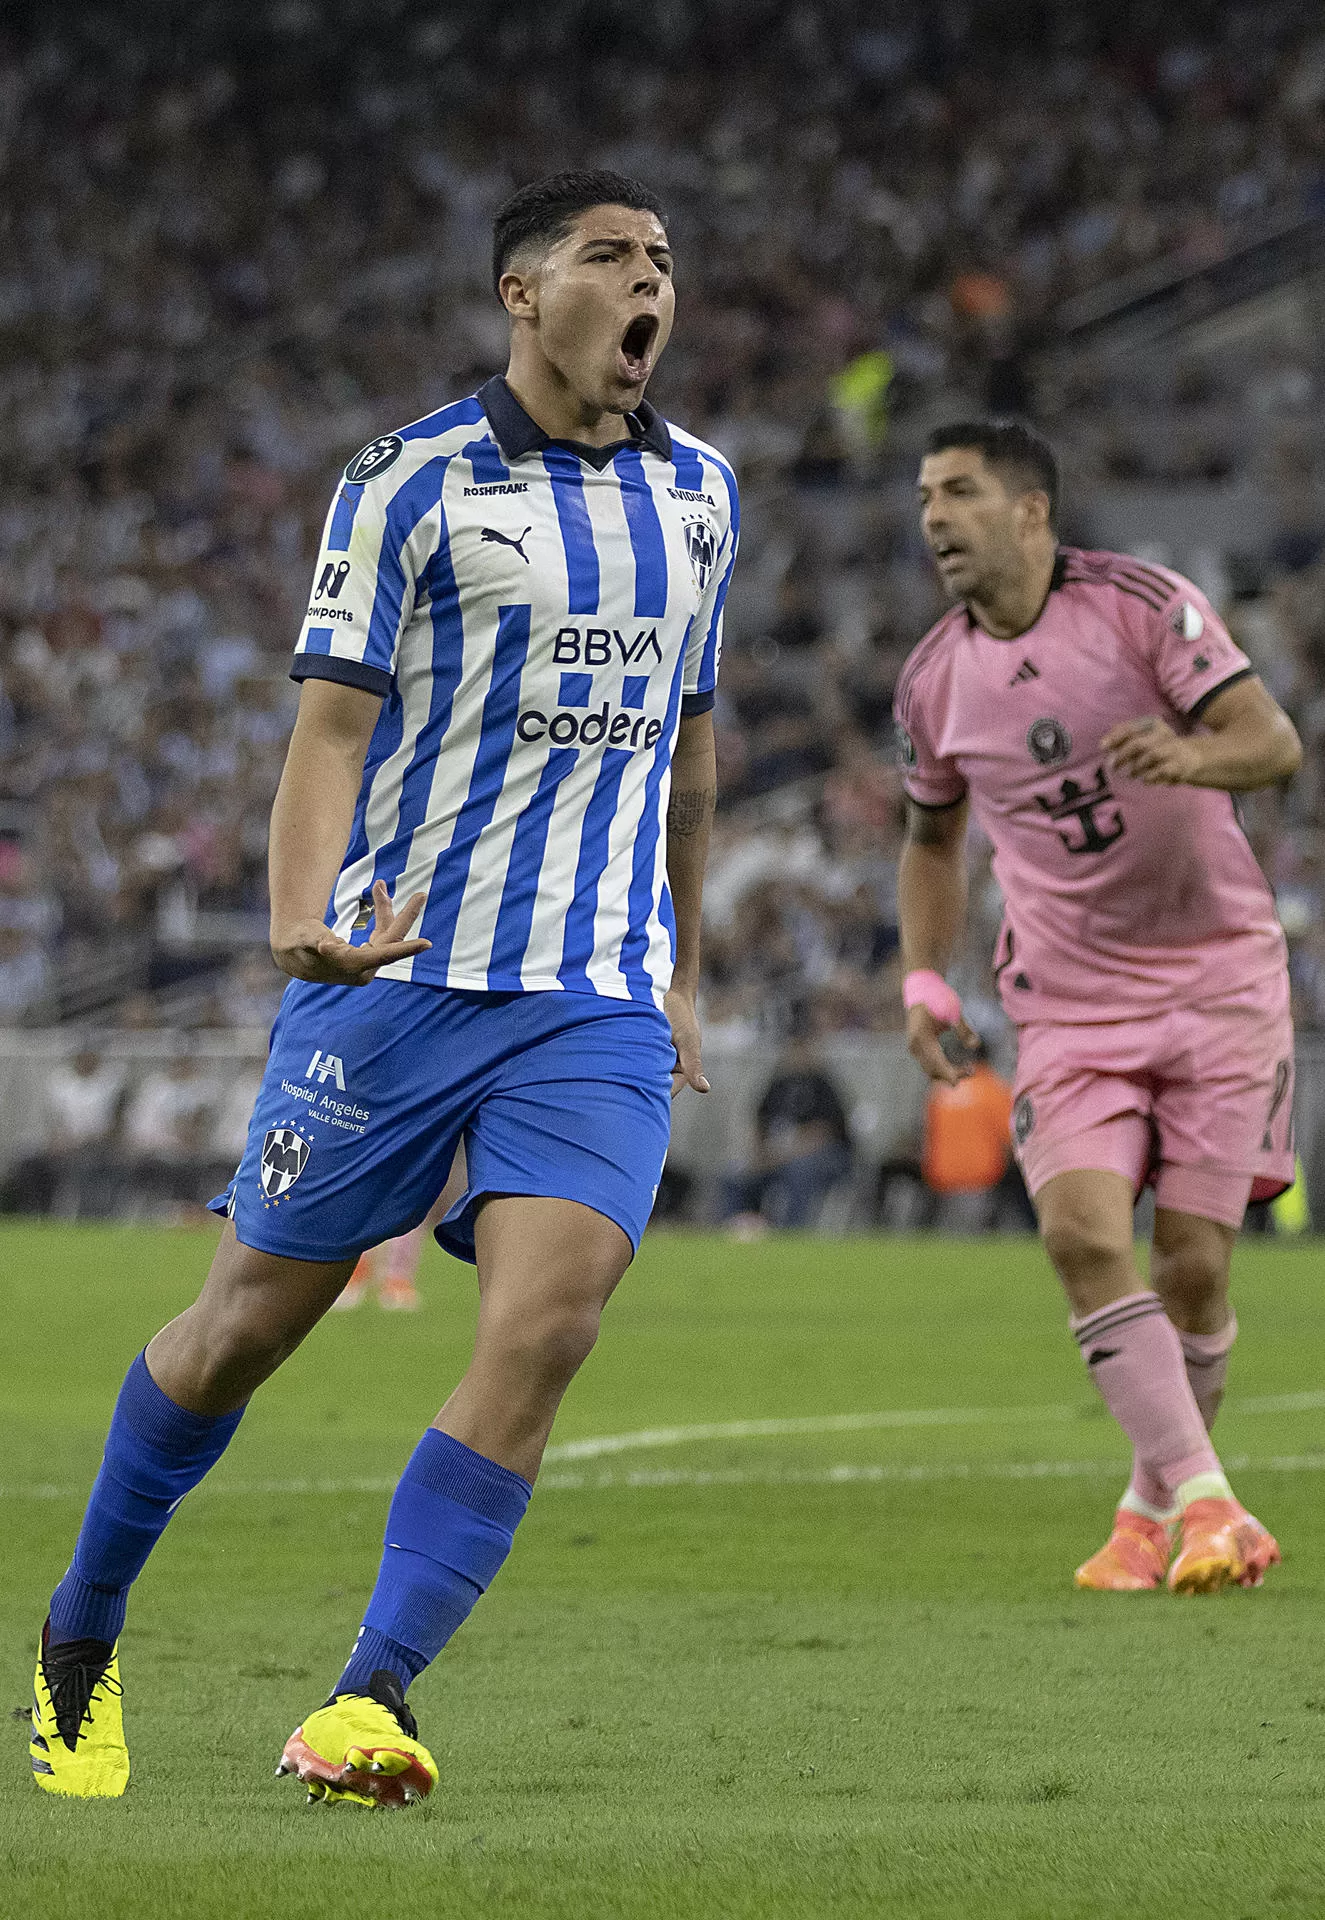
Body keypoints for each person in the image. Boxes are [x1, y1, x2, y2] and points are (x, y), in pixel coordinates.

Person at [31, 168, 737, 1805]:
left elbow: (694, 751)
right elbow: (330, 730)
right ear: (522, 292)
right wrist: (299, 919)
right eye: (612, 258)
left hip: (592, 995)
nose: (652, 287)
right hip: (394, 979)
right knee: (241, 1331)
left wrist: (683, 968)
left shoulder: (703, 492)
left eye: (666, 264)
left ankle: (370, 1697)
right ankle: (80, 1622)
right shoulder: (408, 484)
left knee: (549, 1324)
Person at [894, 419, 1299, 1597]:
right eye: (923, 496)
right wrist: (923, 974)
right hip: (1068, 1004)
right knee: (1078, 1235)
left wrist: (1191, 758)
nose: (932, 518)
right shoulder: (931, 680)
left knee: (1191, 1271)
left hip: (1217, 980)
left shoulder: (1138, 605)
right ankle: (1210, 1503)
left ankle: (1141, 1514)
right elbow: (929, 842)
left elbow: (1266, 741)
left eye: (957, 491)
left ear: (1029, 511)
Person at [723, 1033, 852, 1232]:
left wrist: (783, 1155)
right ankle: (742, 1229)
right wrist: (760, 1154)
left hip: (823, 1157)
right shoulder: (778, 1085)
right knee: (734, 1174)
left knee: (800, 1171)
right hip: (777, 1156)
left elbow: (825, 1133)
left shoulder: (823, 1086)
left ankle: (791, 1233)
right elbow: (760, 1123)